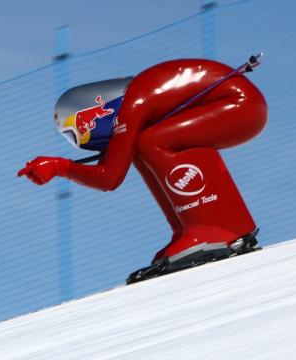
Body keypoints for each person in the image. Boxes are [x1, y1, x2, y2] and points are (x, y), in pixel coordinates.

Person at [18, 58, 268, 283]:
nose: (82, 139)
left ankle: (213, 230)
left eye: (79, 130)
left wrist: (59, 166)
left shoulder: (132, 104)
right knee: (142, 145)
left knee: (152, 141)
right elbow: (114, 168)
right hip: (239, 103)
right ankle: (189, 229)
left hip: (241, 104)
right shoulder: (135, 100)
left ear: (93, 110)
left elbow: (110, 178)